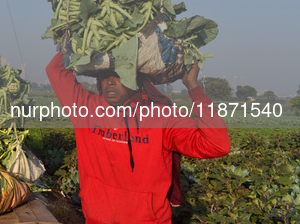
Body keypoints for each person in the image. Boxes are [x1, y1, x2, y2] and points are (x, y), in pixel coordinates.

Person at [46, 52, 230, 224]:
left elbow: (216, 145)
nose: (110, 82)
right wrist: (79, 42)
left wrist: (193, 88)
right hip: (96, 219)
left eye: (119, 75)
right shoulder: (86, 108)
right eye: (104, 76)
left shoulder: (163, 117)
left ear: (137, 80)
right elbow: (56, 69)